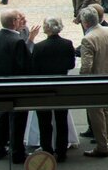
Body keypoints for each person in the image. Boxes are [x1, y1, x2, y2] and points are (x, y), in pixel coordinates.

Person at [0, 9, 37, 163]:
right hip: (16, 86)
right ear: (14, 22)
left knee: (1, 115)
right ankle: (17, 152)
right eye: (19, 19)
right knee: (18, 119)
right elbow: (25, 66)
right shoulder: (17, 41)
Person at [31, 17, 75, 162]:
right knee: (61, 120)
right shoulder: (67, 44)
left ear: (47, 29)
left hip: (43, 88)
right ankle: (61, 151)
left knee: (44, 122)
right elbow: (71, 65)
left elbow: (35, 69)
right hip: (62, 86)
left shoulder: (39, 47)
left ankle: (47, 150)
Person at [78, 7, 108, 157]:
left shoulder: (88, 39)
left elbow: (86, 65)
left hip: (97, 81)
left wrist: (82, 81)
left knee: (96, 114)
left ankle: (102, 145)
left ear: (85, 23)